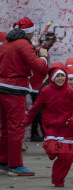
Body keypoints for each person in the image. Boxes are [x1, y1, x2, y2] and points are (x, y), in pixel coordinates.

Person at [0, 17, 49, 176]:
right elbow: (38, 65)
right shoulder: (23, 44)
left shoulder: (8, 43)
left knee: (6, 128)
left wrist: (30, 48)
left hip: (2, 87)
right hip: (14, 90)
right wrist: (43, 56)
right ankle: (15, 165)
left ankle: (4, 161)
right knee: (16, 128)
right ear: (28, 33)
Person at [22, 63, 73, 187]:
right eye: (57, 76)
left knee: (67, 158)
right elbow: (35, 107)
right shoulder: (46, 91)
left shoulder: (70, 91)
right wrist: (26, 120)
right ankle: (51, 151)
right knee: (53, 150)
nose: (60, 78)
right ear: (52, 77)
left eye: (62, 76)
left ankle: (58, 180)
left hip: (67, 129)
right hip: (51, 128)